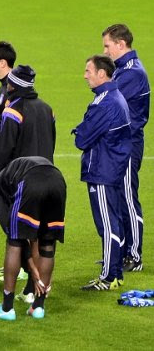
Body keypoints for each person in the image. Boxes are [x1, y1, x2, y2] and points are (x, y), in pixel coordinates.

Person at [0, 157, 66, 320]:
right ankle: (38, 307)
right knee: (47, 243)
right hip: (58, 180)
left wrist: (32, 269)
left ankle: (7, 308)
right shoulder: (4, 180)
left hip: (31, 181)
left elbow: (17, 237)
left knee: (13, 242)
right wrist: (32, 268)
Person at [73, 55, 132, 290]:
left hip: (102, 171)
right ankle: (115, 273)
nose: (85, 75)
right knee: (114, 222)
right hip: (112, 169)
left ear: (102, 74)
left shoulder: (104, 103)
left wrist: (80, 130)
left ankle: (108, 278)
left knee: (107, 226)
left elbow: (82, 138)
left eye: (89, 71)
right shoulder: (115, 97)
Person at [103, 24, 150, 271]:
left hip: (127, 144)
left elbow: (109, 102)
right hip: (118, 144)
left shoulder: (132, 73)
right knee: (119, 197)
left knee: (128, 198)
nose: (105, 51)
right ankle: (121, 251)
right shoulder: (124, 69)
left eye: (107, 46)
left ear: (121, 45)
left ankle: (134, 254)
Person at [0, 65, 55, 183]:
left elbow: (3, 152)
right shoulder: (47, 109)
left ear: (13, 86)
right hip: (48, 176)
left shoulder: (13, 111)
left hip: (22, 179)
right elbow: (51, 145)